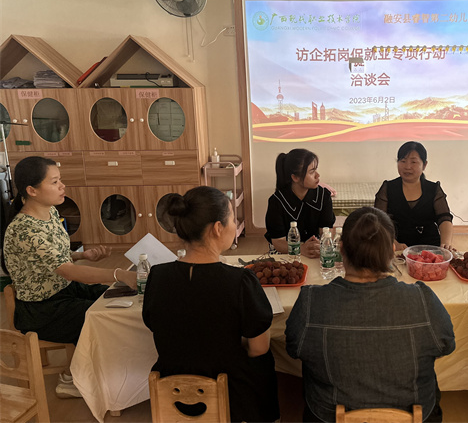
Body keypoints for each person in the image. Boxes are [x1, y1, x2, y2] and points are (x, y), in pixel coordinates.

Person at [286, 206, 455, 423]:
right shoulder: (423, 298)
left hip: (328, 416)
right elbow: (446, 345)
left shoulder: (311, 301)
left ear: (341, 248)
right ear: (392, 251)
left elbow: (293, 348)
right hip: (415, 416)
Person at [2, 156, 137, 399]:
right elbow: (67, 270)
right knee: (101, 316)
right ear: (32, 190)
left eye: (60, 180)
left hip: (64, 290)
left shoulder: (50, 212)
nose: (62, 186)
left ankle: (108, 366)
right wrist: (119, 273)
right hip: (40, 308)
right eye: (54, 182)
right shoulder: (24, 230)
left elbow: (52, 258)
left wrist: (83, 255)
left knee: (116, 298)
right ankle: (70, 378)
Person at [142, 186, 279, 423]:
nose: (234, 225)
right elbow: (258, 348)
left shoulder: (158, 276)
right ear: (217, 228)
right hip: (229, 392)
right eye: (232, 219)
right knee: (264, 359)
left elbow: (154, 324)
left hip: (173, 387)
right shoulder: (240, 281)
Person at [374, 142, 455, 251]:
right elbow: (379, 220)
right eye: (403, 161)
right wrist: (392, 242)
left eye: (413, 162)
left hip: (430, 246)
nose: (407, 167)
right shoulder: (388, 188)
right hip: (397, 246)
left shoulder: (433, 188)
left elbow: (444, 218)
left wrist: (446, 243)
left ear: (424, 165)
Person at [265, 148, 335, 258]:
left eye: (316, 170)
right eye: (312, 172)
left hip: (314, 249)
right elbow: (278, 242)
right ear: (295, 177)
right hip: (286, 251)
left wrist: (319, 245)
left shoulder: (323, 196)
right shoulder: (277, 202)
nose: (317, 175)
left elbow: (326, 231)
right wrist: (300, 248)